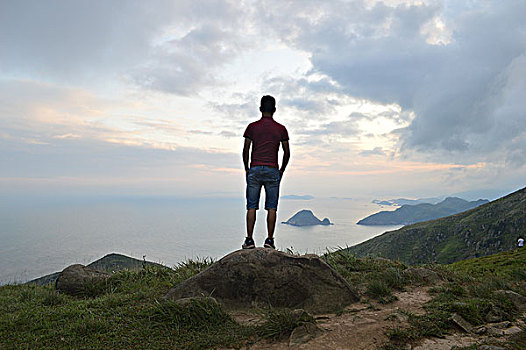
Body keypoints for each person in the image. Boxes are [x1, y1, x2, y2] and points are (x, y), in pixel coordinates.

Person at [242, 95, 290, 249]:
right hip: (272, 170)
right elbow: (287, 152)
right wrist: (281, 170)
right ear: (274, 110)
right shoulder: (281, 129)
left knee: (251, 206)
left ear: (260, 109)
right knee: (272, 207)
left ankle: (249, 240)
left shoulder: (252, 127)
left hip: (255, 169)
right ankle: (269, 240)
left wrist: (247, 169)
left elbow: (246, 150)